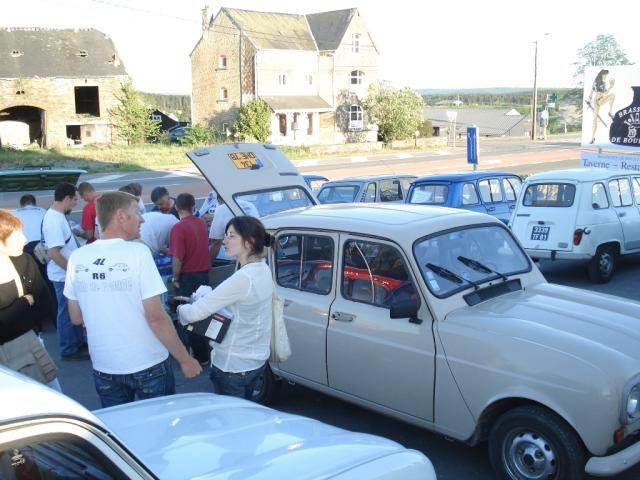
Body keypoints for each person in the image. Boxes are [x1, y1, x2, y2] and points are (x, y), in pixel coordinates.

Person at [64, 191, 202, 408]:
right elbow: (156, 318)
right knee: (161, 431)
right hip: (148, 364)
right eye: (136, 212)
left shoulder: (77, 257)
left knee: (122, 433)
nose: (142, 218)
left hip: (105, 366)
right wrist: (185, 360)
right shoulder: (138, 253)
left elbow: (75, 317)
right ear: (121, 216)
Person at [178, 216, 273, 400]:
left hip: (233, 366)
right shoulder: (263, 268)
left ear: (249, 241)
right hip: (256, 361)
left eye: (231, 236)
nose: (224, 241)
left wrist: (180, 310)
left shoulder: (243, 278)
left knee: (233, 420)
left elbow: (194, 313)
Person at [0, 210, 60, 391]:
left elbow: (44, 305)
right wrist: (23, 304)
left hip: (30, 351)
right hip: (23, 345)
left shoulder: (24, 261)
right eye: (16, 235)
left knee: (53, 399)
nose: (24, 239)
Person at [42, 182, 87, 361]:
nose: (75, 203)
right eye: (74, 200)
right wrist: (70, 272)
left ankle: (75, 342)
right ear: (66, 198)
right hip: (62, 275)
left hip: (65, 273)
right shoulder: (53, 220)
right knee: (67, 312)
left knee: (71, 309)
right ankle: (69, 348)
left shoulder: (58, 216)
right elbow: (54, 253)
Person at [169, 193, 211, 364]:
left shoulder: (178, 228)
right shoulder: (201, 223)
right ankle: (204, 354)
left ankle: (188, 356)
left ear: (176, 208)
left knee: (186, 318)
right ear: (194, 206)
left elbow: (177, 258)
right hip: (204, 275)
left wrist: (175, 278)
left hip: (187, 277)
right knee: (203, 314)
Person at [587, 69, 616, 144]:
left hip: (595, 100)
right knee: (612, 96)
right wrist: (610, 86)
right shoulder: (602, 83)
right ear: (603, 74)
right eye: (606, 74)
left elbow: (591, 91)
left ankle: (592, 138)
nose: (606, 76)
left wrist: (589, 100)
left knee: (594, 119)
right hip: (600, 99)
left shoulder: (595, 81)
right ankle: (610, 112)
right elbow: (605, 93)